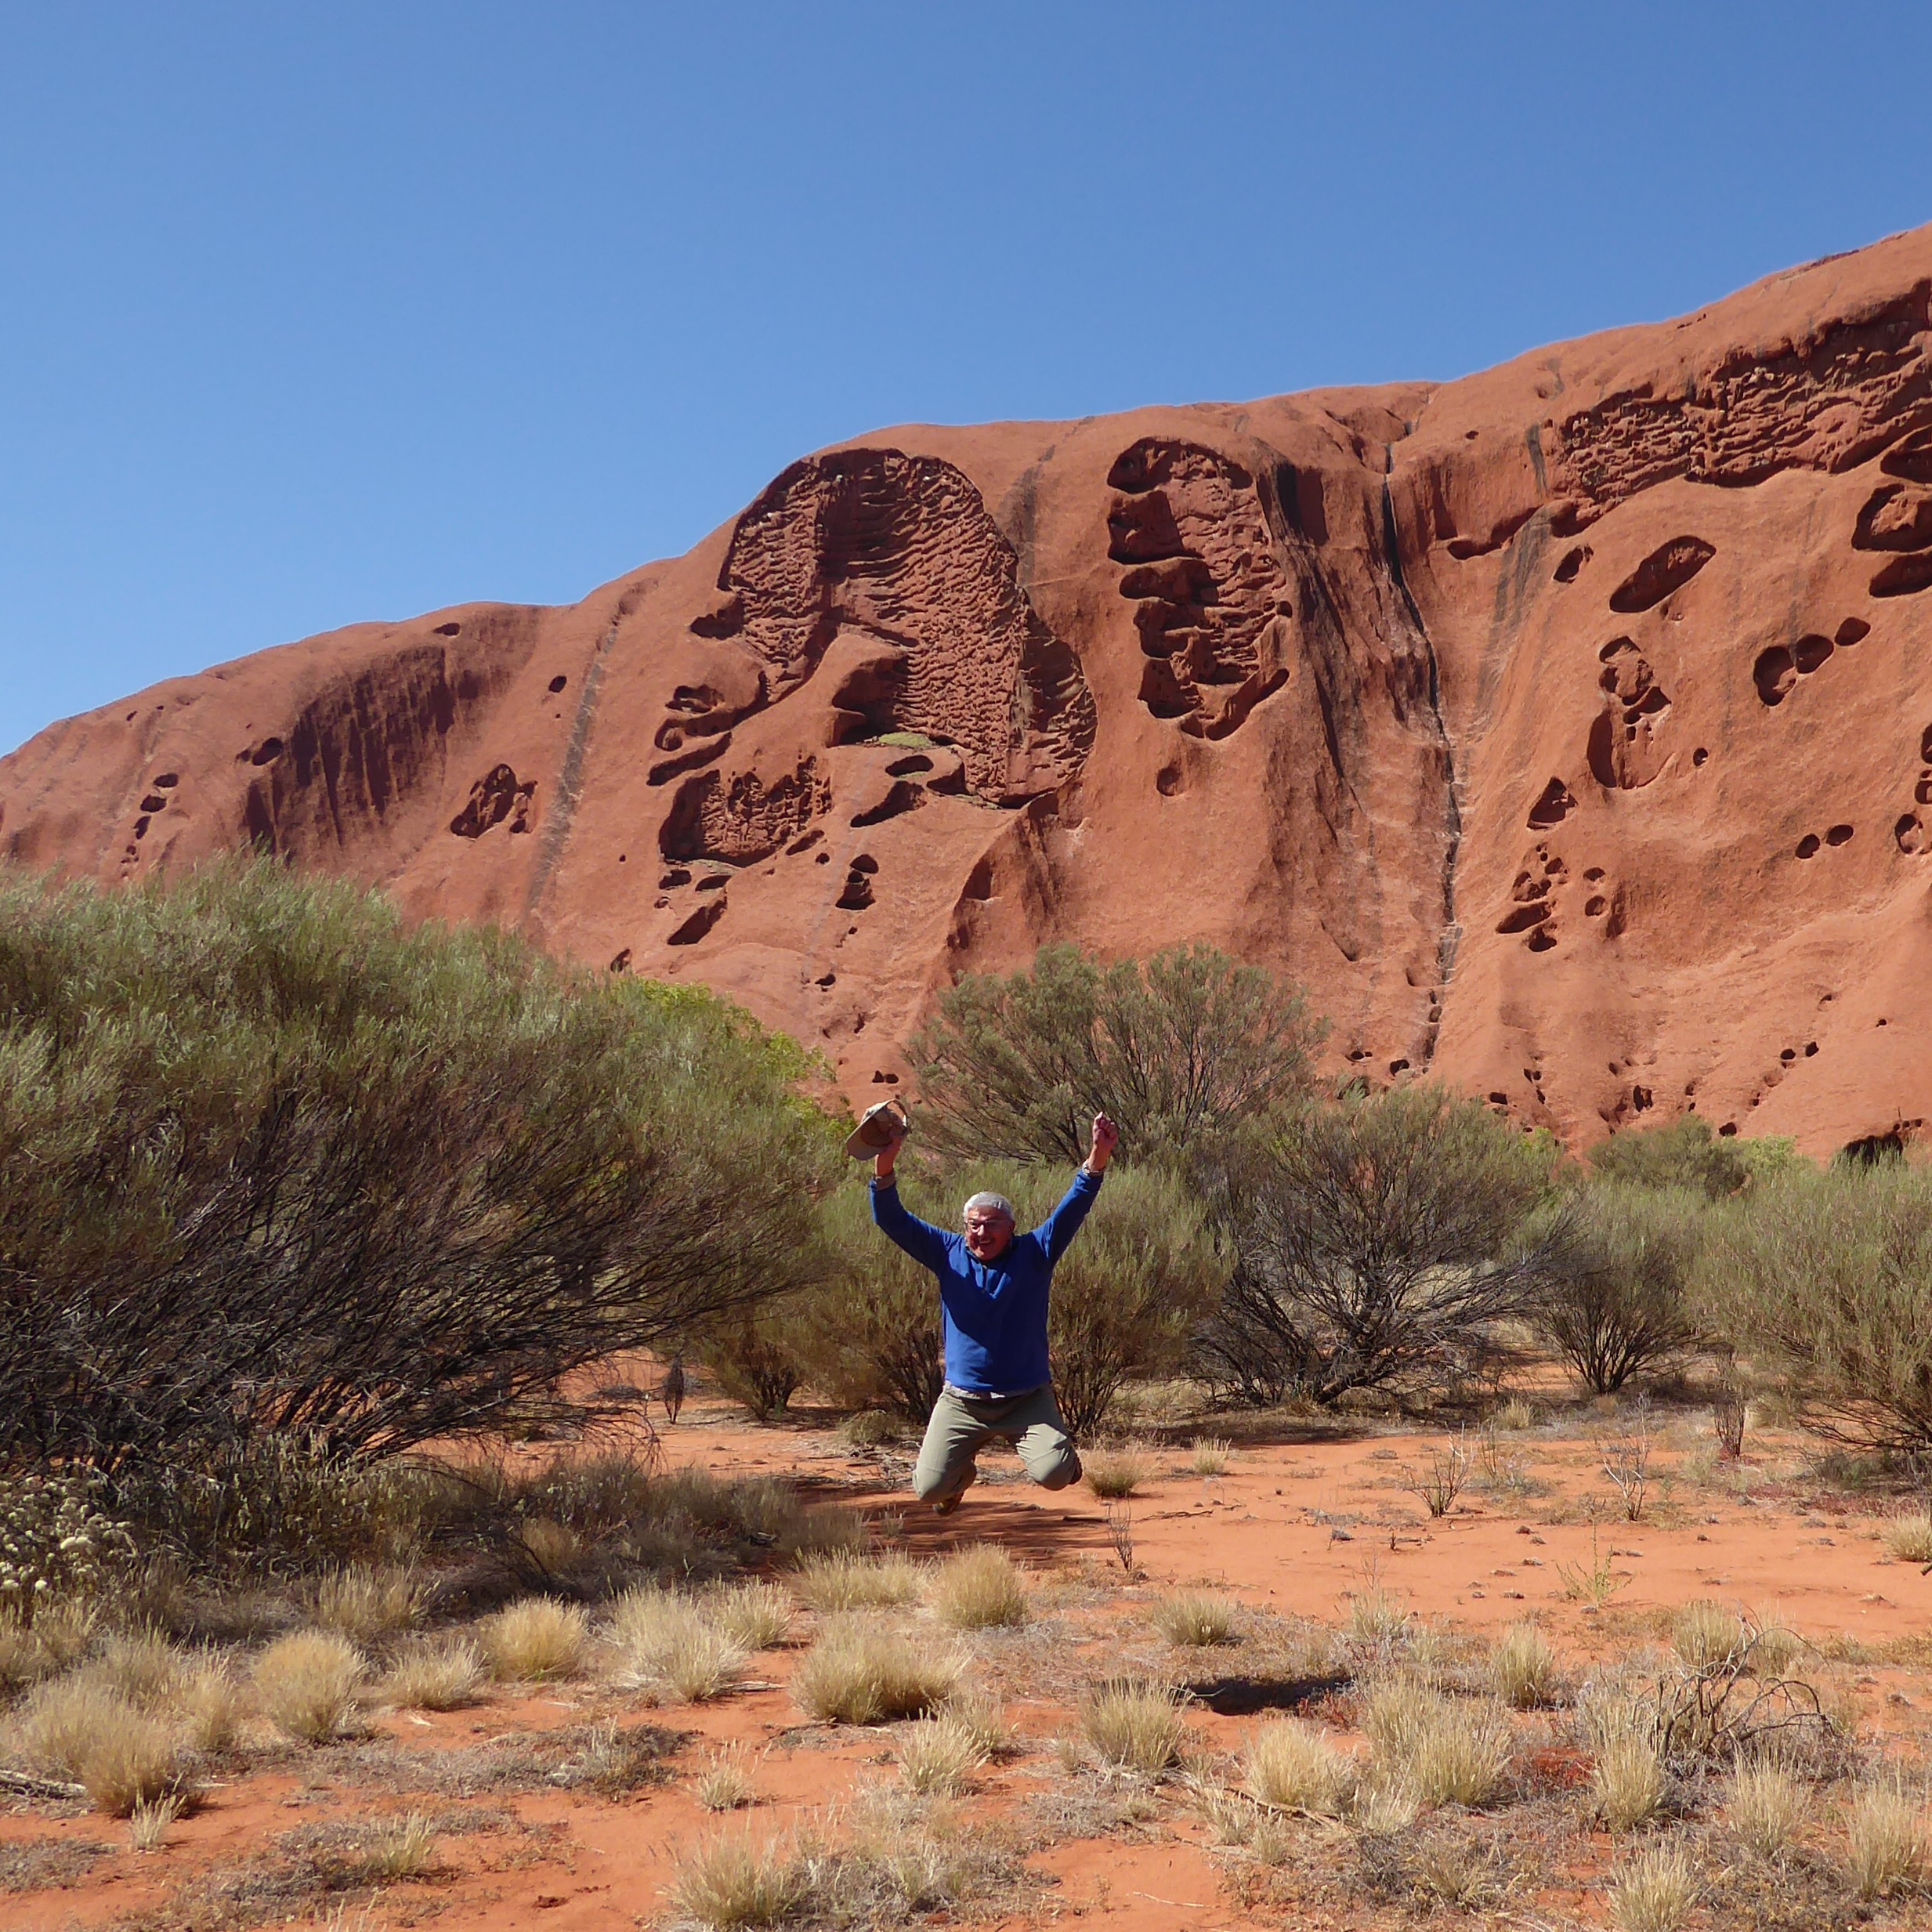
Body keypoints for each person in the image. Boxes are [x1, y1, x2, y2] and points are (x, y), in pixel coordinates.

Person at [869, 1112, 1119, 1514]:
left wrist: (1098, 1154)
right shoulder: (946, 1253)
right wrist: (885, 1162)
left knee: (1054, 1475)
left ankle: (1063, 1461)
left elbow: (1075, 1206)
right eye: (974, 1225)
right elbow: (891, 1218)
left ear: (1012, 1227)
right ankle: (958, 1481)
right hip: (962, 1401)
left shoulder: (1036, 1253)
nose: (981, 1233)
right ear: (964, 1227)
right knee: (928, 1490)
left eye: (992, 1225)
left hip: (1026, 1399)